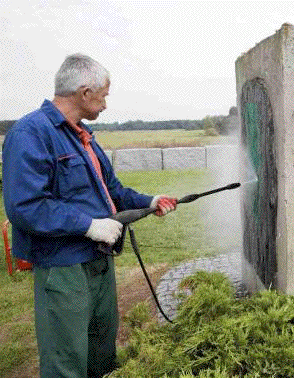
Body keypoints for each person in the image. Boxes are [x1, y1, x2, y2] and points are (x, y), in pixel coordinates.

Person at [2, 53, 177, 378]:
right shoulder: (31, 134)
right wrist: (89, 225)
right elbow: (25, 206)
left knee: (102, 354)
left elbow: (113, 190)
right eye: (104, 95)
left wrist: (152, 200)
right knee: (66, 361)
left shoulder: (83, 137)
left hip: (99, 262)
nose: (106, 105)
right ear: (85, 92)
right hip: (64, 268)